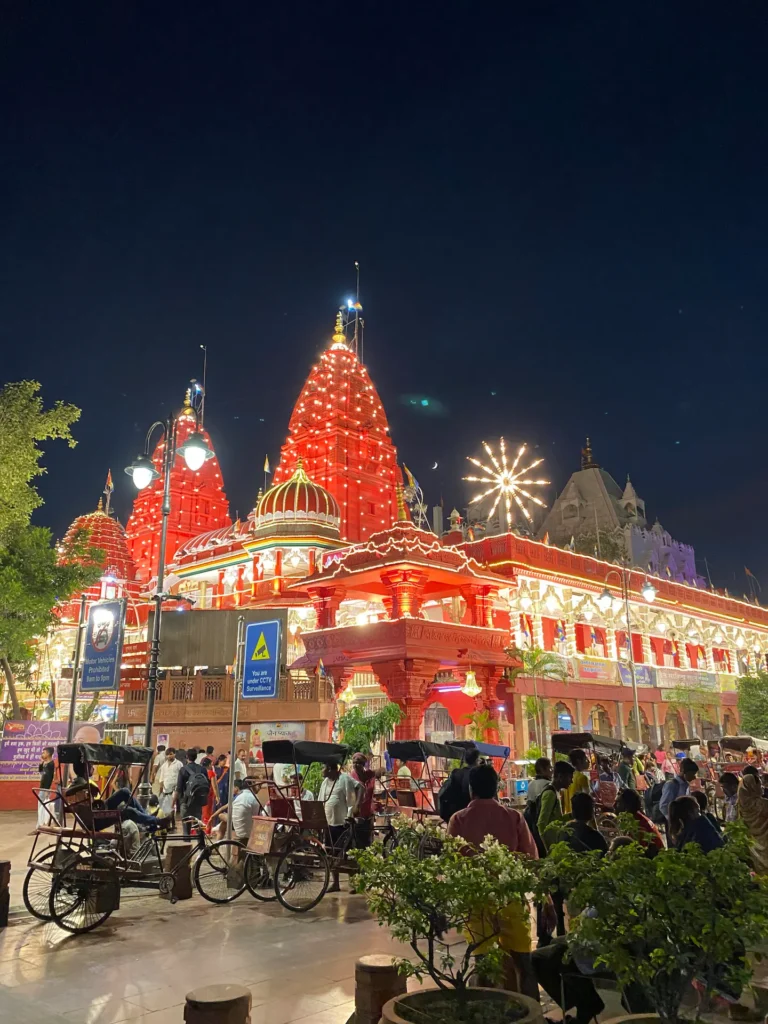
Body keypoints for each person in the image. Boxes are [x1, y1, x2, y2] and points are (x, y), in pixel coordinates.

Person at [448, 763, 539, 999]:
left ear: (471, 790)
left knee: (483, 965)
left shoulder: (458, 820)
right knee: (524, 965)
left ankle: (485, 1011)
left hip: (477, 900)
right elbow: (531, 859)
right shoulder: (514, 817)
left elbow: (452, 865)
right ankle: (533, 1014)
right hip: (510, 897)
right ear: (497, 788)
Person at [318, 760, 361, 892]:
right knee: (331, 854)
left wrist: (356, 805)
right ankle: (335, 883)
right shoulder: (325, 782)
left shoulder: (344, 778)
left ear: (330, 769)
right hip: (329, 823)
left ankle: (354, 883)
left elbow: (360, 787)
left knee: (346, 854)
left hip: (342, 823)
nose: (322, 771)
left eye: (324, 767)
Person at [438, 746, 481, 822]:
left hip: (455, 813)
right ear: (477, 760)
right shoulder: (478, 775)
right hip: (472, 815)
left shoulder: (456, 773)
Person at [615, 787, 663, 854]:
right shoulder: (638, 818)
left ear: (627, 807)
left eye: (618, 803)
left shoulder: (637, 826)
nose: (614, 806)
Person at [737, 772, 768, 874]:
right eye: (759, 784)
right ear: (753, 787)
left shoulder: (739, 806)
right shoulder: (763, 805)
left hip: (752, 846)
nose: (761, 787)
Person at [176, 748, 211, 835]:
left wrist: (178, 801)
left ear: (187, 757)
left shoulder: (183, 769)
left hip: (186, 800)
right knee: (198, 822)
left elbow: (179, 788)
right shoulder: (202, 769)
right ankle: (201, 842)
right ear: (196, 757)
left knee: (186, 824)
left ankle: (187, 843)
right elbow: (207, 783)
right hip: (198, 799)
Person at [349, 752, 382, 847]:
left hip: (368, 813)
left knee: (367, 841)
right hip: (356, 813)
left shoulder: (369, 774)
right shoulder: (352, 777)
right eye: (354, 763)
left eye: (358, 763)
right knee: (357, 840)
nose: (356, 765)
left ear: (363, 764)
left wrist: (382, 771)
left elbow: (380, 771)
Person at [658, 757, 699, 821]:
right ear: (683, 771)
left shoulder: (686, 785)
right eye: (692, 774)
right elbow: (663, 806)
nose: (694, 777)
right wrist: (673, 820)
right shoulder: (672, 785)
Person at [562, 749, 591, 814]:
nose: (588, 762)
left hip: (568, 815)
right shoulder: (582, 778)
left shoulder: (567, 777)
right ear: (579, 761)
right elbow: (587, 800)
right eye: (585, 759)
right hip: (580, 815)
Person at [156, 747, 182, 815]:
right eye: (167, 755)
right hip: (166, 789)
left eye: (171, 754)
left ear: (174, 754)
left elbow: (181, 776)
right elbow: (161, 778)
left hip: (176, 789)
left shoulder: (179, 764)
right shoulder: (164, 766)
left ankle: (175, 821)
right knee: (168, 808)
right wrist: (161, 791)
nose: (169, 756)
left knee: (177, 808)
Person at [37, 746, 59, 826]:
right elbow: (42, 773)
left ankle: (38, 826)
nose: (42, 754)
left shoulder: (51, 764)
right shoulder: (45, 764)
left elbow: (49, 777)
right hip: (42, 788)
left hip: (45, 789)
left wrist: (47, 789)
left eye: (44, 752)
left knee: (41, 808)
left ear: (49, 754)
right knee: (46, 807)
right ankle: (56, 821)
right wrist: (41, 764)